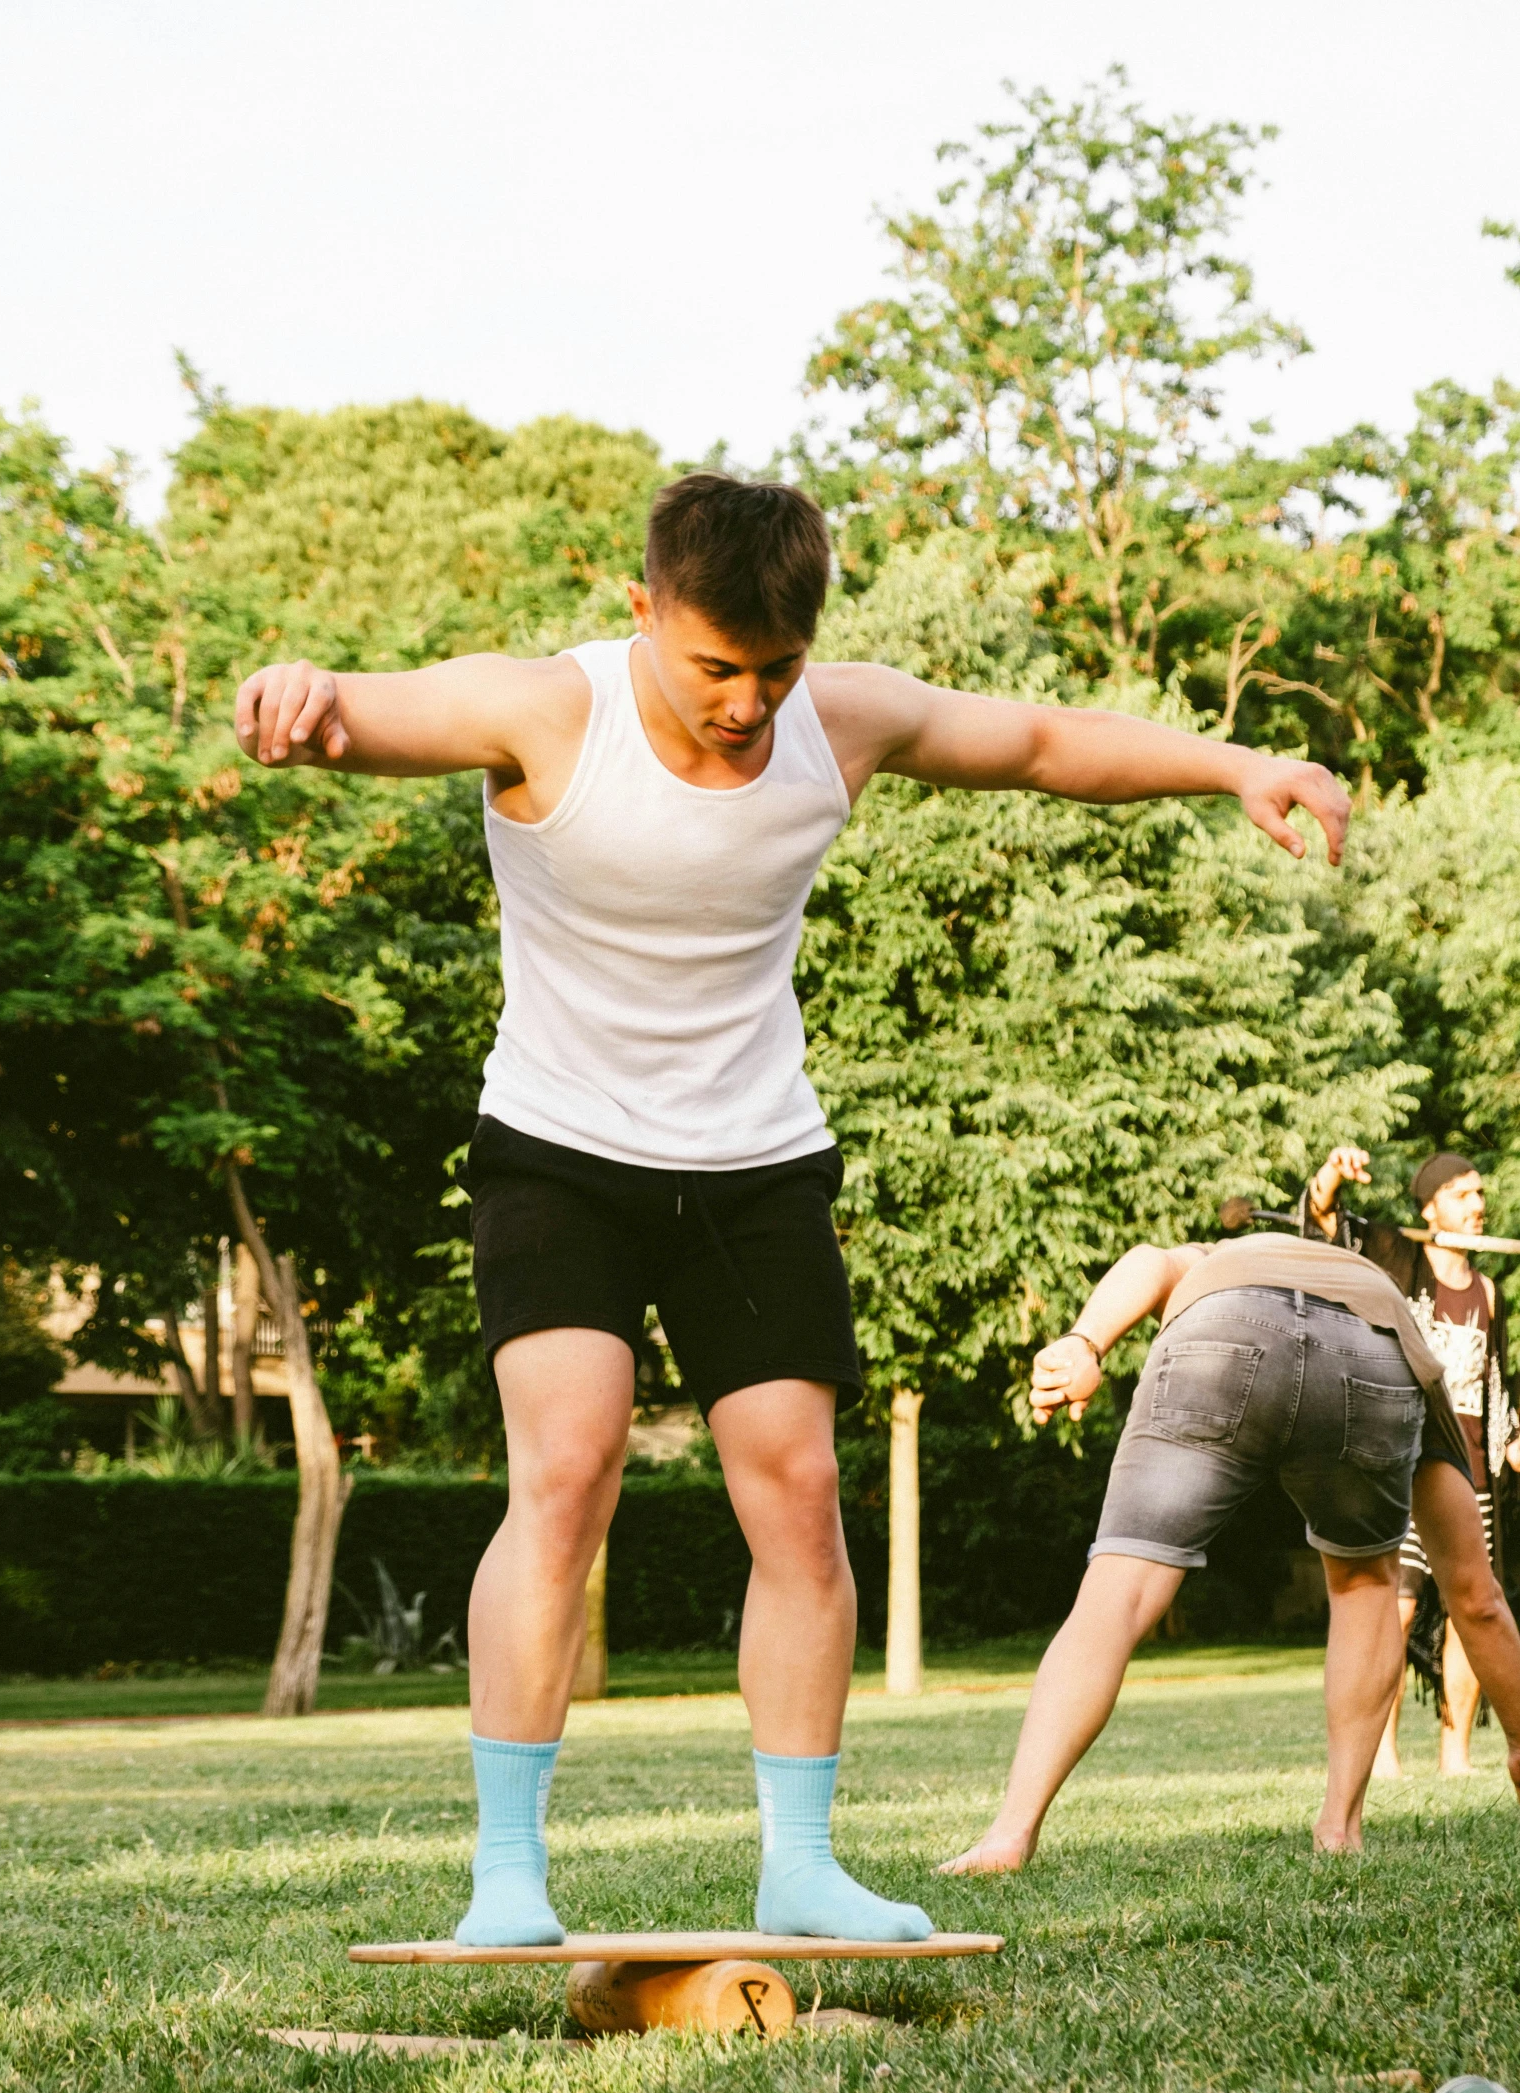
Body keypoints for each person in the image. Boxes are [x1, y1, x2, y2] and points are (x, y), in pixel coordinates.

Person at [235, 471, 1349, 1946]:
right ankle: (507, 1875)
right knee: (564, 1469)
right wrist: (296, 691)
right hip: (557, 1150)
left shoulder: (840, 719)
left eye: (775, 668)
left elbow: (1032, 741)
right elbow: (366, 709)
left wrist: (1230, 765)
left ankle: (799, 1863)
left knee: (799, 1495)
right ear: (641, 612)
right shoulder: (541, 709)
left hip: (754, 1159)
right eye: (713, 667)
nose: (746, 703)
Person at [942, 1224, 1520, 1875]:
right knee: (1363, 1583)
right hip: (1372, 1352)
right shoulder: (1390, 1307)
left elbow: (1150, 1260)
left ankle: (1008, 1837)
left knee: (1120, 1588)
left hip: (1221, 1322)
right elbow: (1476, 1598)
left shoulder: (1222, 1256)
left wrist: (1085, 1343)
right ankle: (1338, 1829)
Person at [1302, 1145, 1520, 1775]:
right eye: (1462, 1195)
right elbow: (1329, 1223)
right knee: (1391, 1607)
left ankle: (1457, 1753)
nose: (1478, 1206)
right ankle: (1384, 1754)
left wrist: (1509, 1440)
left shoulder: (1489, 1292)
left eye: (1480, 1193)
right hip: (1402, 1463)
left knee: (1469, 1609)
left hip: (1470, 1469)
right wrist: (1331, 1179)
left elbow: (1496, 1385)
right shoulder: (1401, 1260)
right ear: (1431, 1207)